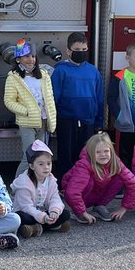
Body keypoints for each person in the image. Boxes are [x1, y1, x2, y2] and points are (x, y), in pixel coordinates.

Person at [50, 32, 104, 178]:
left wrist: (99, 121)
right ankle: (63, 184)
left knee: (85, 156)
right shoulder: (60, 70)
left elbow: (99, 97)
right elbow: (53, 97)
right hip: (66, 120)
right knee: (65, 155)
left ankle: (81, 185)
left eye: (84, 49)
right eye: (77, 50)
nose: (81, 53)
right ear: (68, 51)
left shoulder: (93, 71)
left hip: (88, 121)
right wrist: (53, 122)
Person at [4, 38, 57, 177]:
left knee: (41, 157)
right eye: (26, 56)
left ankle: (36, 186)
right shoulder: (13, 77)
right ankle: (16, 187)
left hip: (43, 121)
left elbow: (50, 98)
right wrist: (26, 111)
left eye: (33, 56)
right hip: (27, 122)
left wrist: (51, 117)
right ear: (18, 59)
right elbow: (9, 101)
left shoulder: (44, 75)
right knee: (29, 156)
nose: (30, 59)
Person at [61, 132, 135, 224]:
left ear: (111, 150)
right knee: (88, 181)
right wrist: (83, 212)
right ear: (90, 153)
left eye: (106, 151)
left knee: (120, 177)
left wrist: (124, 208)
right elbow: (72, 192)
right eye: (97, 152)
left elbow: (133, 184)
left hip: (98, 190)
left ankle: (100, 205)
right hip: (80, 194)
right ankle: (78, 211)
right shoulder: (83, 164)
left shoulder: (115, 162)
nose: (103, 155)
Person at [11, 140, 70, 238]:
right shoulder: (24, 183)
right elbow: (26, 207)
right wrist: (42, 217)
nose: (46, 167)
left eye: (48, 163)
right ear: (32, 166)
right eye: (41, 164)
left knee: (65, 214)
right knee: (22, 217)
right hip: (28, 213)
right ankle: (49, 227)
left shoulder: (50, 180)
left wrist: (53, 212)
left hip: (43, 213)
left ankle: (35, 228)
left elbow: (55, 198)